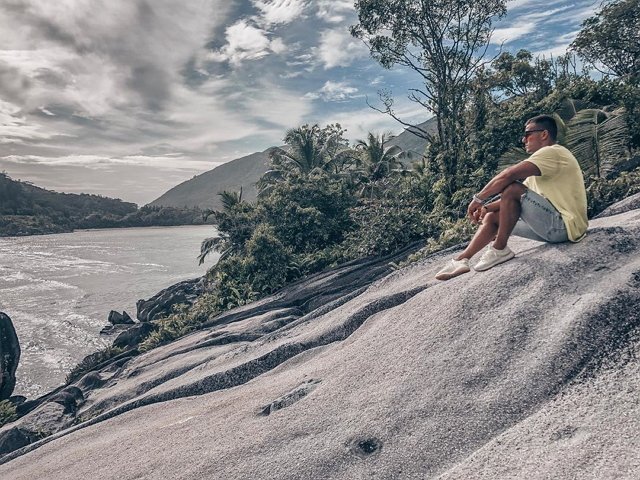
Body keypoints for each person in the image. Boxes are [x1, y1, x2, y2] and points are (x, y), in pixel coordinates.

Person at [435, 114, 588, 280]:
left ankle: (499, 249)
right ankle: (461, 259)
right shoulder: (542, 167)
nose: (524, 140)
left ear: (544, 134)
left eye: (528, 134)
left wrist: (478, 199)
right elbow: (513, 202)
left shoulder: (553, 152)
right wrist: (485, 208)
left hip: (564, 227)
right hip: (552, 228)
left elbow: (508, 176)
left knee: (512, 187)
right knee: (493, 216)